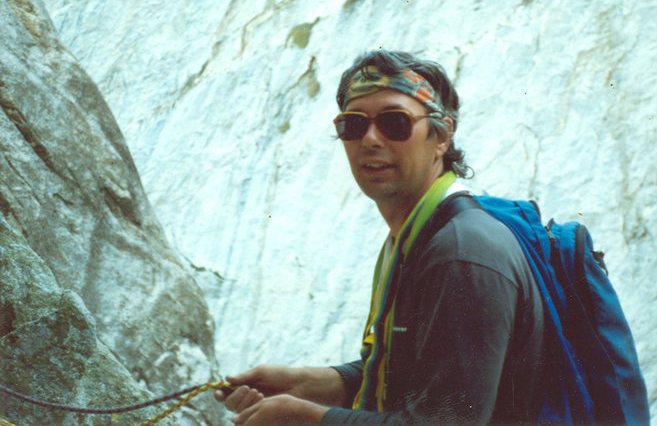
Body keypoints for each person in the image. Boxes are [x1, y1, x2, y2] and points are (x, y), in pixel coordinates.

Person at [216, 50, 547, 425]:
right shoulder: (423, 233)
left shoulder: (460, 253)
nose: (371, 139)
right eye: (353, 125)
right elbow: (417, 371)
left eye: (395, 122)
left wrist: (309, 420)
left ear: (441, 136)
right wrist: (309, 383)